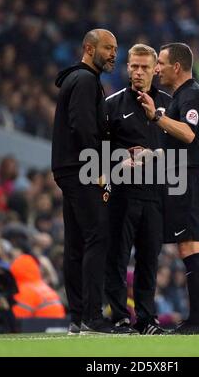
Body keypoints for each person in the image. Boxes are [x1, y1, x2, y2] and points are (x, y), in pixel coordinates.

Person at [51, 29, 128, 334]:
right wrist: (96, 167)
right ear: (88, 48)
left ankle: (77, 316)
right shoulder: (84, 80)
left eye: (115, 49)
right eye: (108, 48)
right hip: (81, 170)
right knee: (98, 237)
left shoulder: (80, 79)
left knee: (76, 243)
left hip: (68, 169)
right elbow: (83, 127)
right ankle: (92, 316)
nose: (113, 54)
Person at [138, 42, 199, 334]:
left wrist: (157, 117)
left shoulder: (191, 95)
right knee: (192, 248)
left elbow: (188, 134)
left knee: (191, 247)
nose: (156, 70)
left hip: (189, 179)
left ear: (177, 67)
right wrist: (151, 155)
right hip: (183, 176)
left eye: (161, 64)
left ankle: (197, 321)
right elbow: (176, 146)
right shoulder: (181, 96)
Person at [105, 44, 171, 334]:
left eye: (145, 67)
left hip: (155, 196)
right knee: (117, 257)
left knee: (148, 260)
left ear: (155, 69)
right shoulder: (112, 105)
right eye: (134, 66)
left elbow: (181, 147)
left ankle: (146, 319)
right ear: (127, 67)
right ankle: (119, 317)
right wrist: (122, 157)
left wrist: (153, 155)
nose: (139, 72)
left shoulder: (170, 104)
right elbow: (100, 149)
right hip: (123, 195)